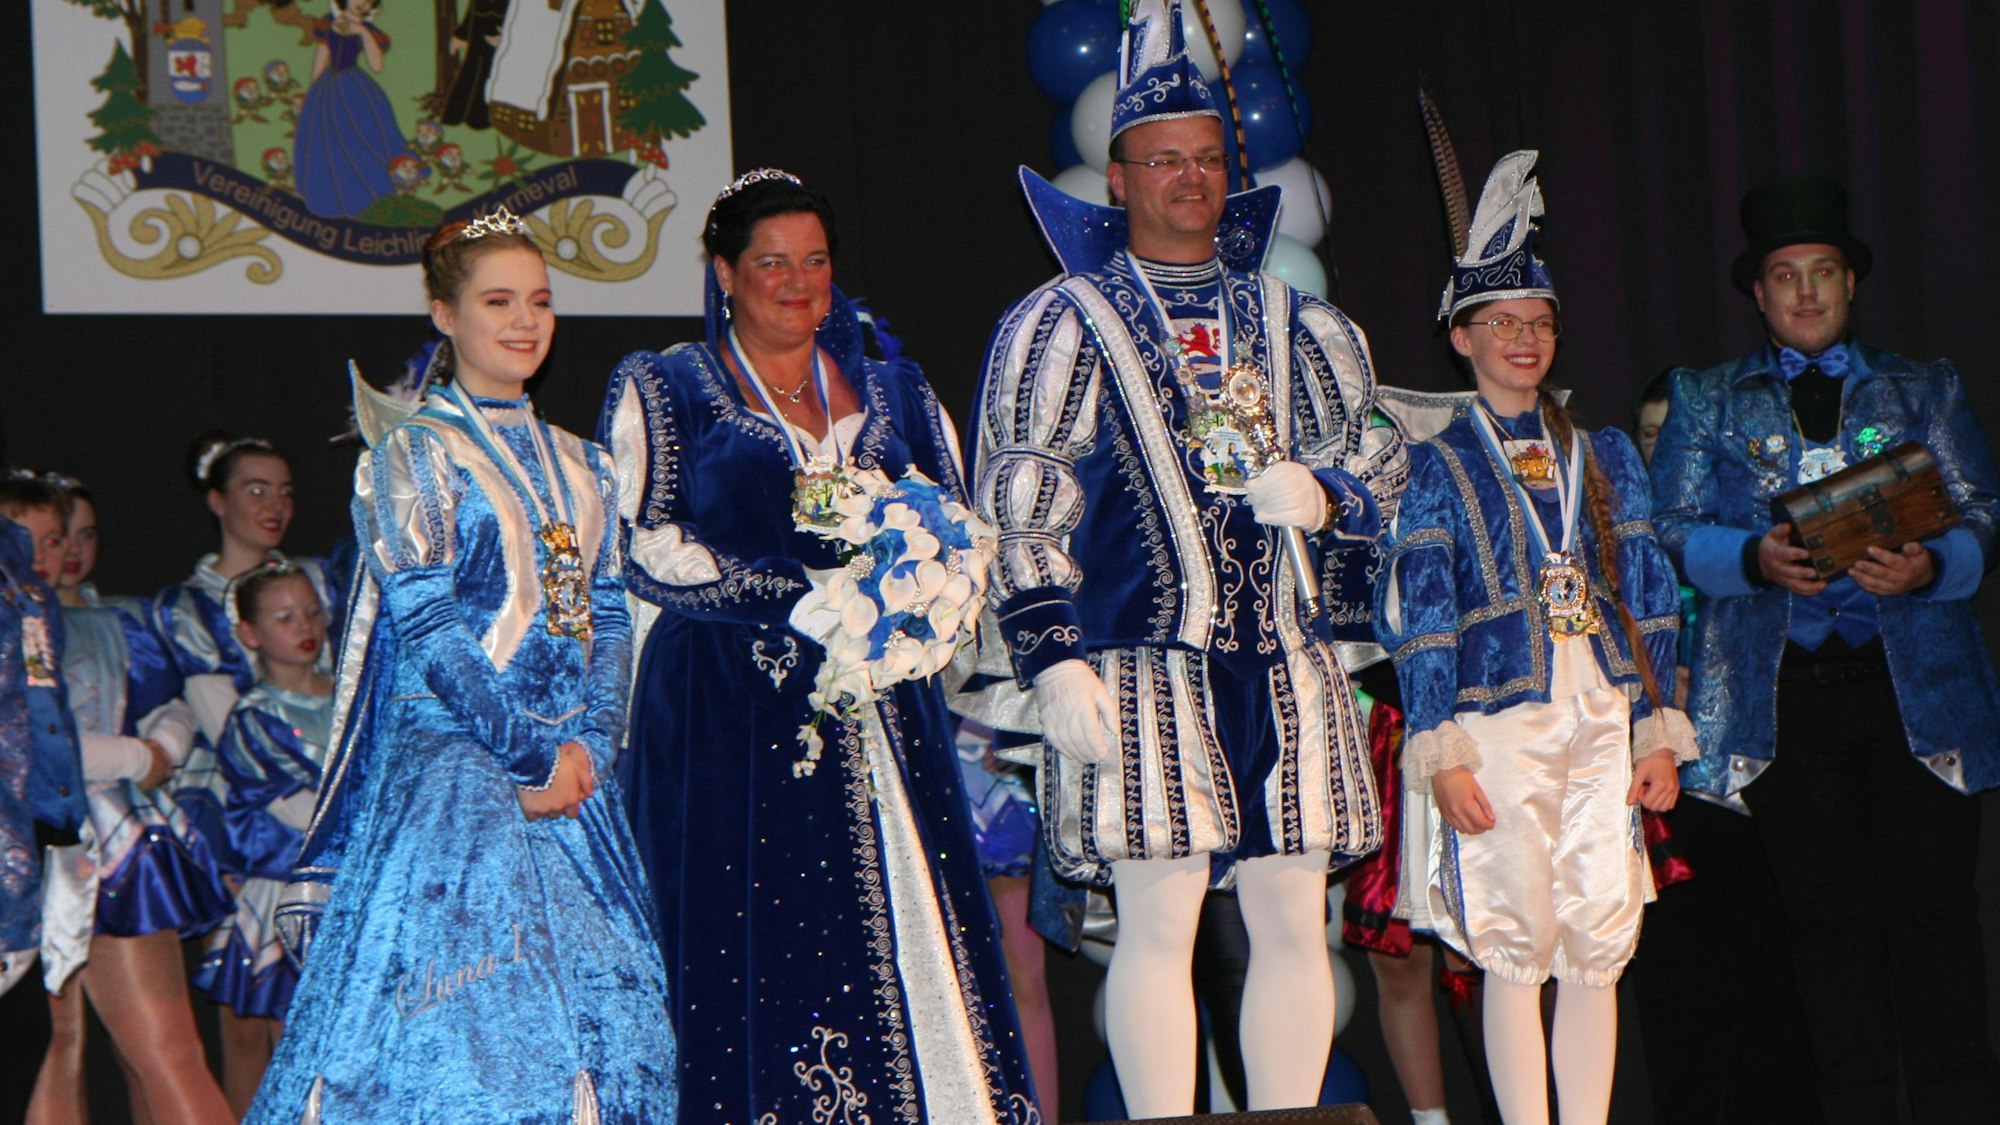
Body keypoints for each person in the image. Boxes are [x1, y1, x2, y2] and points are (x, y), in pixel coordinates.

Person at [962, 2, 1405, 1113]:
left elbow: (1383, 453)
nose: (1190, 178)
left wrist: (1328, 492)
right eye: (1163, 160)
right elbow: (1021, 488)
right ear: (1117, 178)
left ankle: (1287, 1116)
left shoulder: (1299, 322)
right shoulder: (1059, 321)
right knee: (1157, 914)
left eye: (1206, 158)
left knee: (1292, 909)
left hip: (1288, 654)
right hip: (1136, 659)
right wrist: (1051, 656)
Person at [601, 167, 1035, 1123]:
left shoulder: (896, 392)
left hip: (885, 711)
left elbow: (963, 533)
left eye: (815, 261)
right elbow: (640, 544)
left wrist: (917, 595)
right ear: (725, 273)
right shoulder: (668, 387)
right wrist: (803, 595)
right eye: (771, 263)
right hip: (727, 710)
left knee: (906, 912)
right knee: (758, 930)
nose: (797, 283)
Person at [244, 209, 676, 1122]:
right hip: (456, 773)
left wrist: (591, 743)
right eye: (497, 301)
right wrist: (530, 757)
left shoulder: (588, 462)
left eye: (540, 301)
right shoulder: (416, 452)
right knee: (467, 1035)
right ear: (444, 315)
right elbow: (430, 623)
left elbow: (607, 611)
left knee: (618, 1020)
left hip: (576, 779)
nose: (525, 321)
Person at [1649, 173, 2000, 1124]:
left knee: (1938, 923)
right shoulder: (1706, 398)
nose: (1805, 291)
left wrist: (1930, 566)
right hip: (1783, 705)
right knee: (1824, 932)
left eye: (1822, 271)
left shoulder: (1924, 385)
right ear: (1759, 294)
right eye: (1784, 274)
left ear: (1850, 283)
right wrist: (1751, 559)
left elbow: (1983, 508)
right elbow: (1666, 525)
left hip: (1917, 694)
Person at [1375, 151, 1693, 1125]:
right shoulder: (1436, 464)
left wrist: (1653, 731)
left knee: (1597, 944)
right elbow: (1423, 611)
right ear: (1460, 337)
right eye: (1502, 323)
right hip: (1497, 723)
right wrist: (1440, 750)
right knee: (1514, 947)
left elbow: (1646, 596)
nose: (1523, 340)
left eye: (1539, 323)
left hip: (1597, 713)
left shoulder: (1601, 455)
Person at [28, 476, 234, 1125]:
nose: (63, 551)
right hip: (37, 850)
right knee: (61, 1045)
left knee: (159, 1050)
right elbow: (37, 744)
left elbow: (168, 701)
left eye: (75, 536)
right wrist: (134, 757)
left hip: (103, 844)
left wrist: (159, 751)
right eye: (42, 538)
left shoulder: (112, 620)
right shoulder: (19, 628)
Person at [192, 563, 333, 1113]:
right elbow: (300, 811)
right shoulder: (253, 720)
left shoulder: (353, 698)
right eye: (285, 617)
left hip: (362, 882)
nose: (306, 626)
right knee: (290, 1047)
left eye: (312, 612)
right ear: (249, 634)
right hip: (289, 895)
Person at [0, 479, 88, 1117]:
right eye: (23, 538)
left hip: (29, 831)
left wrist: (59, 814)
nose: (40, 555)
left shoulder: (34, 604)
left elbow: (46, 713)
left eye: (54, 540)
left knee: (30, 1026)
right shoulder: (19, 601)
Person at [294, 0, 406, 219]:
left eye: (368, 1)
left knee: (362, 140)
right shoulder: (328, 23)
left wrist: (362, 31)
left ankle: (368, 200)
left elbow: (376, 65)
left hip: (354, 88)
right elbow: (322, 56)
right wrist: (311, 92)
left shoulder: (369, 30)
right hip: (326, 90)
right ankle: (328, 200)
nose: (362, 3)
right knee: (326, 143)